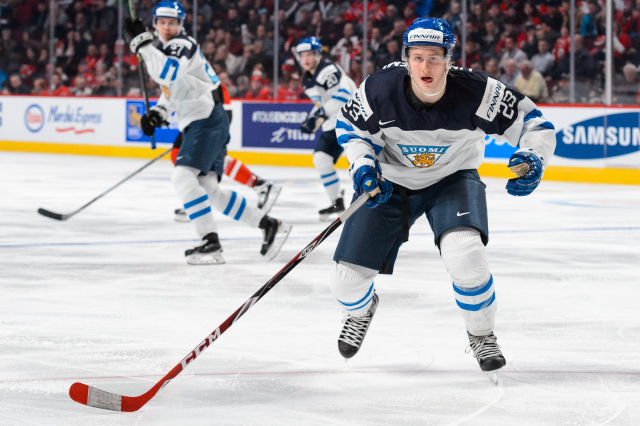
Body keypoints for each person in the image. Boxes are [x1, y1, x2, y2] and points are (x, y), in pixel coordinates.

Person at [329, 18, 556, 381]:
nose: (426, 67)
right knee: (344, 281)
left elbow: (536, 125)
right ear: (406, 59)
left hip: (452, 179)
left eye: (434, 58)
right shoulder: (379, 89)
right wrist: (363, 166)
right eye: (417, 58)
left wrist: (534, 158)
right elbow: (350, 130)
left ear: (449, 59)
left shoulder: (478, 92)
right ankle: (360, 311)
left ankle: (482, 335)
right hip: (390, 183)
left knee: (466, 255)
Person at [124, 1, 291, 265]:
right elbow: (172, 91)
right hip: (204, 120)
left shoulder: (183, 45)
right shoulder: (166, 50)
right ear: (155, 24)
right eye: (162, 22)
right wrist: (158, 113)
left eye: (172, 22)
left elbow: (168, 71)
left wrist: (142, 43)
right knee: (208, 189)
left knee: (182, 177)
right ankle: (268, 224)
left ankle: (210, 242)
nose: (167, 27)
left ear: (180, 24)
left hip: (206, 120)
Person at [173, 84, 282, 222]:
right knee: (203, 158)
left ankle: (197, 200)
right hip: (204, 115)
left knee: (196, 158)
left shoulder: (194, 68)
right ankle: (258, 184)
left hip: (212, 114)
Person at [295, 36, 357, 220]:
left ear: (317, 55)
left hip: (353, 120)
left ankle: (372, 200)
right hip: (334, 122)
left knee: (359, 160)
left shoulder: (327, 70)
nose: (305, 59)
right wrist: (311, 118)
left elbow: (344, 95)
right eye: (302, 55)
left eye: (309, 55)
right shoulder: (307, 79)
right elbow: (321, 103)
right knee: (321, 159)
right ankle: (337, 202)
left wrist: (321, 115)